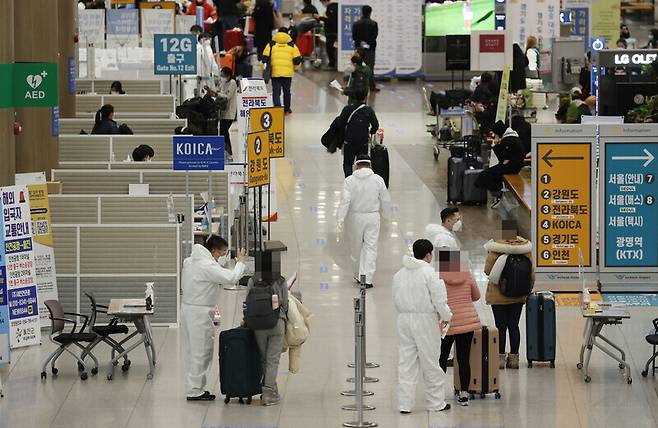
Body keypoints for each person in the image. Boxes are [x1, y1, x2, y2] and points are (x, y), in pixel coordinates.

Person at [181, 236, 247, 400]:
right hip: (200, 313)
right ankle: (195, 391)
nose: (224, 256)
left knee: (193, 351)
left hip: (189, 310)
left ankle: (195, 387)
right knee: (201, 351)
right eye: (223, 252)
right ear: (214, 251)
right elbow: (231, 278)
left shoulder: (190, 261)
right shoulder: (207, 265)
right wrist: (241, 262)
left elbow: (217, 270)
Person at [392, 239, 452, 414]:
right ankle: (436, 403)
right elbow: (440, 301)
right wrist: (448, 316)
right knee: (430, 361)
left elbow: (394, 298)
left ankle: (405, 404)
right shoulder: (430, 273)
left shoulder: (399, 274)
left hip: (403, 319)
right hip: (425, 320)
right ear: (428, 255)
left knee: (406, 363)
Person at [483, 221, 533, 370]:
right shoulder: (524, 250)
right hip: (518, 297)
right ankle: (514, 359)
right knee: (514, 326)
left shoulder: (495, 250)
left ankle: (499, 359)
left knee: (500, 326)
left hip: (498, 297)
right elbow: (532, 275)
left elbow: (487, 271)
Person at [337, 154, 391, 288]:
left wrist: (340, 218)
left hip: (355, 217)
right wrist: (386, 215)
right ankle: (367, 278)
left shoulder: (349, 180)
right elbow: (385, 199)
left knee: (356, 247)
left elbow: (345, 201)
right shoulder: (378, 180)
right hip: (373, 217)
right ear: (370, 165)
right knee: (370, 247)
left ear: (356, 165)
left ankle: (358, 274)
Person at [437, 249, 481, 407]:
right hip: (466, 322)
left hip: (447, 323)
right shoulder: (467, 274)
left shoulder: (439, 277)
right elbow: (476, 296)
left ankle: (438, 393)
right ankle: (464, 394)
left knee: (441, 357)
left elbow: (435, 300)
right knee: (463, 358)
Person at [247, 269, 289, 406]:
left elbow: (247, 303)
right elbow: (285, 303)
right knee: (273, 360)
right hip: (277, 322)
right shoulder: (281, 280)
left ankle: (270, 387)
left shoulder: (252, 280)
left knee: (264, 358)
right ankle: (269, 392)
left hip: (258, 324)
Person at [475, 120, 525, 208]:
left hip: (511, 168)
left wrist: (495, 145)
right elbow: (504, 159)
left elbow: (502, 158)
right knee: (487, 174)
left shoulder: (508, 140)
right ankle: (499, 193)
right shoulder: (512, 137)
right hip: (512, 166)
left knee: (484, 176)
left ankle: (499, 193)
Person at [335, 89, 379, 177]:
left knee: (348, 163)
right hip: (363, 142)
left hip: (349, 141)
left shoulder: (347, 109)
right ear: (366, 97)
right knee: (362, 162)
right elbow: (375, 125)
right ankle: (361, 179)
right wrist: (371, 132)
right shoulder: (368, 110)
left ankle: (349, 180)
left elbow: (340, 124)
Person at [262, 28, 302, 115]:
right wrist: (295, 68)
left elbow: (264, 58)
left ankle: (277, 109)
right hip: (287, 74)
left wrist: (265, 67)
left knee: (276, 92)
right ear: (287, 34)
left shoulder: (271, 44)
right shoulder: (292, 45)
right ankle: (287, 109)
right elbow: (297, 60)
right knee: (287, 92)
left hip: (275, 73)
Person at [352, 5, 379, 91]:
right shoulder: (374, 24)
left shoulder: (356, 24)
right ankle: (371, 86)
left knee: (358, 67)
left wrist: (361, 43)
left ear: (362, 12)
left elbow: (354, 36)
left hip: (359, 48)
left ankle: (358, 85)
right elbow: (374, 37)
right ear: (370, 12)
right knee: (370, 68)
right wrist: (367, 44)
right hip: (370, 49)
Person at [218, 67, 237, 158]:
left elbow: (227, 96)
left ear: (228, 76)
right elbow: (221, 92)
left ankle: (229, 153)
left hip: (229, 112)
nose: (222, 77)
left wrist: (217, 94)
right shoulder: (224, 83)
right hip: (223, 112)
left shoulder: (232, 83)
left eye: (223, 76)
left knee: (224, 131)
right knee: (222, 132)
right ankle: (225, 151)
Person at [319, 0, 338, 69]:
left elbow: (330, 20)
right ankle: (333, 64)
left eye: (322, 2)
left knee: (330, 48)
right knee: (332, 48)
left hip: (331, 31)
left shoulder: (332, 7)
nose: (322, 4)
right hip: (334, 31)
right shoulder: (334, 6)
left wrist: (320, 18)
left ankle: (332, 64)